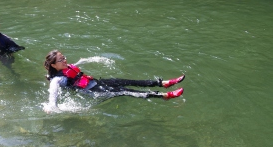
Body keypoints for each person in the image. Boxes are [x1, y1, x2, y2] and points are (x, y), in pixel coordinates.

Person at [43, 50, 185, 112]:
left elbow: (79, 63)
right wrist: (51, 107)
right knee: (126, 91)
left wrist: (93, 59)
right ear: (54, 65)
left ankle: (162, 83)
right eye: (61, 60)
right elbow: (53, 93)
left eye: (64, 57)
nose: (65, 60)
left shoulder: (67, 67)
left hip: (98, 83)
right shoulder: (57, 80)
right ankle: (164, 96)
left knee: (128, 81)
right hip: (95, 92)